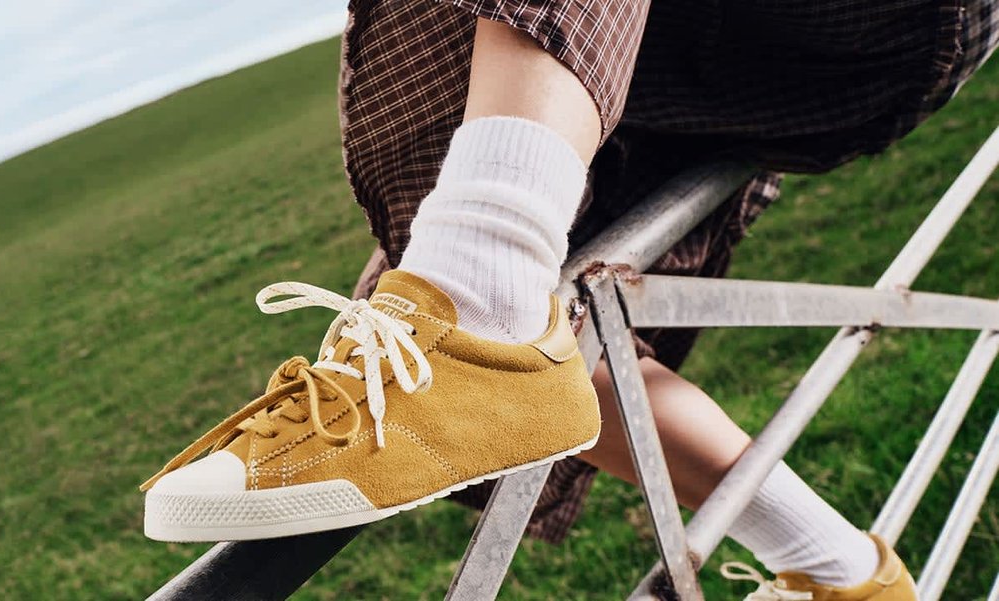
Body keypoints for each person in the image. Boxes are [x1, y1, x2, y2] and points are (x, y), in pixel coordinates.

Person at [139, 1, 998, 598]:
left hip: (874, 23)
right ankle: (849, 573)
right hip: (675, 41)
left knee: (481, 292)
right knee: (522, 316)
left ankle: (483, 300)